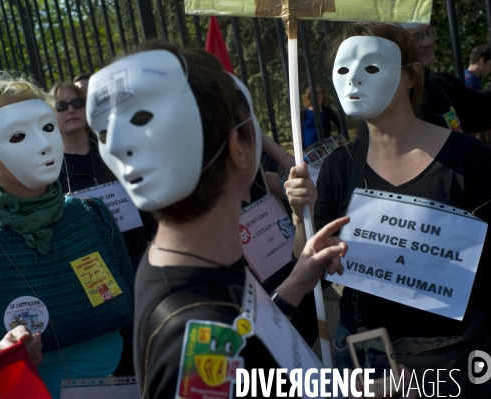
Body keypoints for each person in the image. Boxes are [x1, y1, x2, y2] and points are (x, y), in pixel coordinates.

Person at [85, 41, 356, 399]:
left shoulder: (180, 264)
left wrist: (295, 284)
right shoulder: (199, 339)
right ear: (237, 149)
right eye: (252, 128)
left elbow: (246, 342)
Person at [288, 23, 491, 397]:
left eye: (370, 67)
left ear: (411, 76)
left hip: (452, 359)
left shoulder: (469, 159)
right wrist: (299, 212)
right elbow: (309, 266)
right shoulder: (339, 165)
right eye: (341, 70)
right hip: (364, 356)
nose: (353, 80)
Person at [0, 73, 135, 398]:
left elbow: (138, 319)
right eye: (18, 135)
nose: (44, 143)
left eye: (48, 127)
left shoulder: (93, 217)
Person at [51, 82, 156, 269]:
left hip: (140, 252)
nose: (71, 110)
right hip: (92, 264)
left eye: (77, 103)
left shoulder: (114, 150)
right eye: (61, 106)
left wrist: (154, 239)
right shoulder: (51, 168)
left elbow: (142, 195)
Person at [358, 24, 491, 136]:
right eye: (417, 38)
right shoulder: (381, 109)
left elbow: (486, 110)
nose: (428, 42)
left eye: (429, 32)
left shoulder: (444, 85)